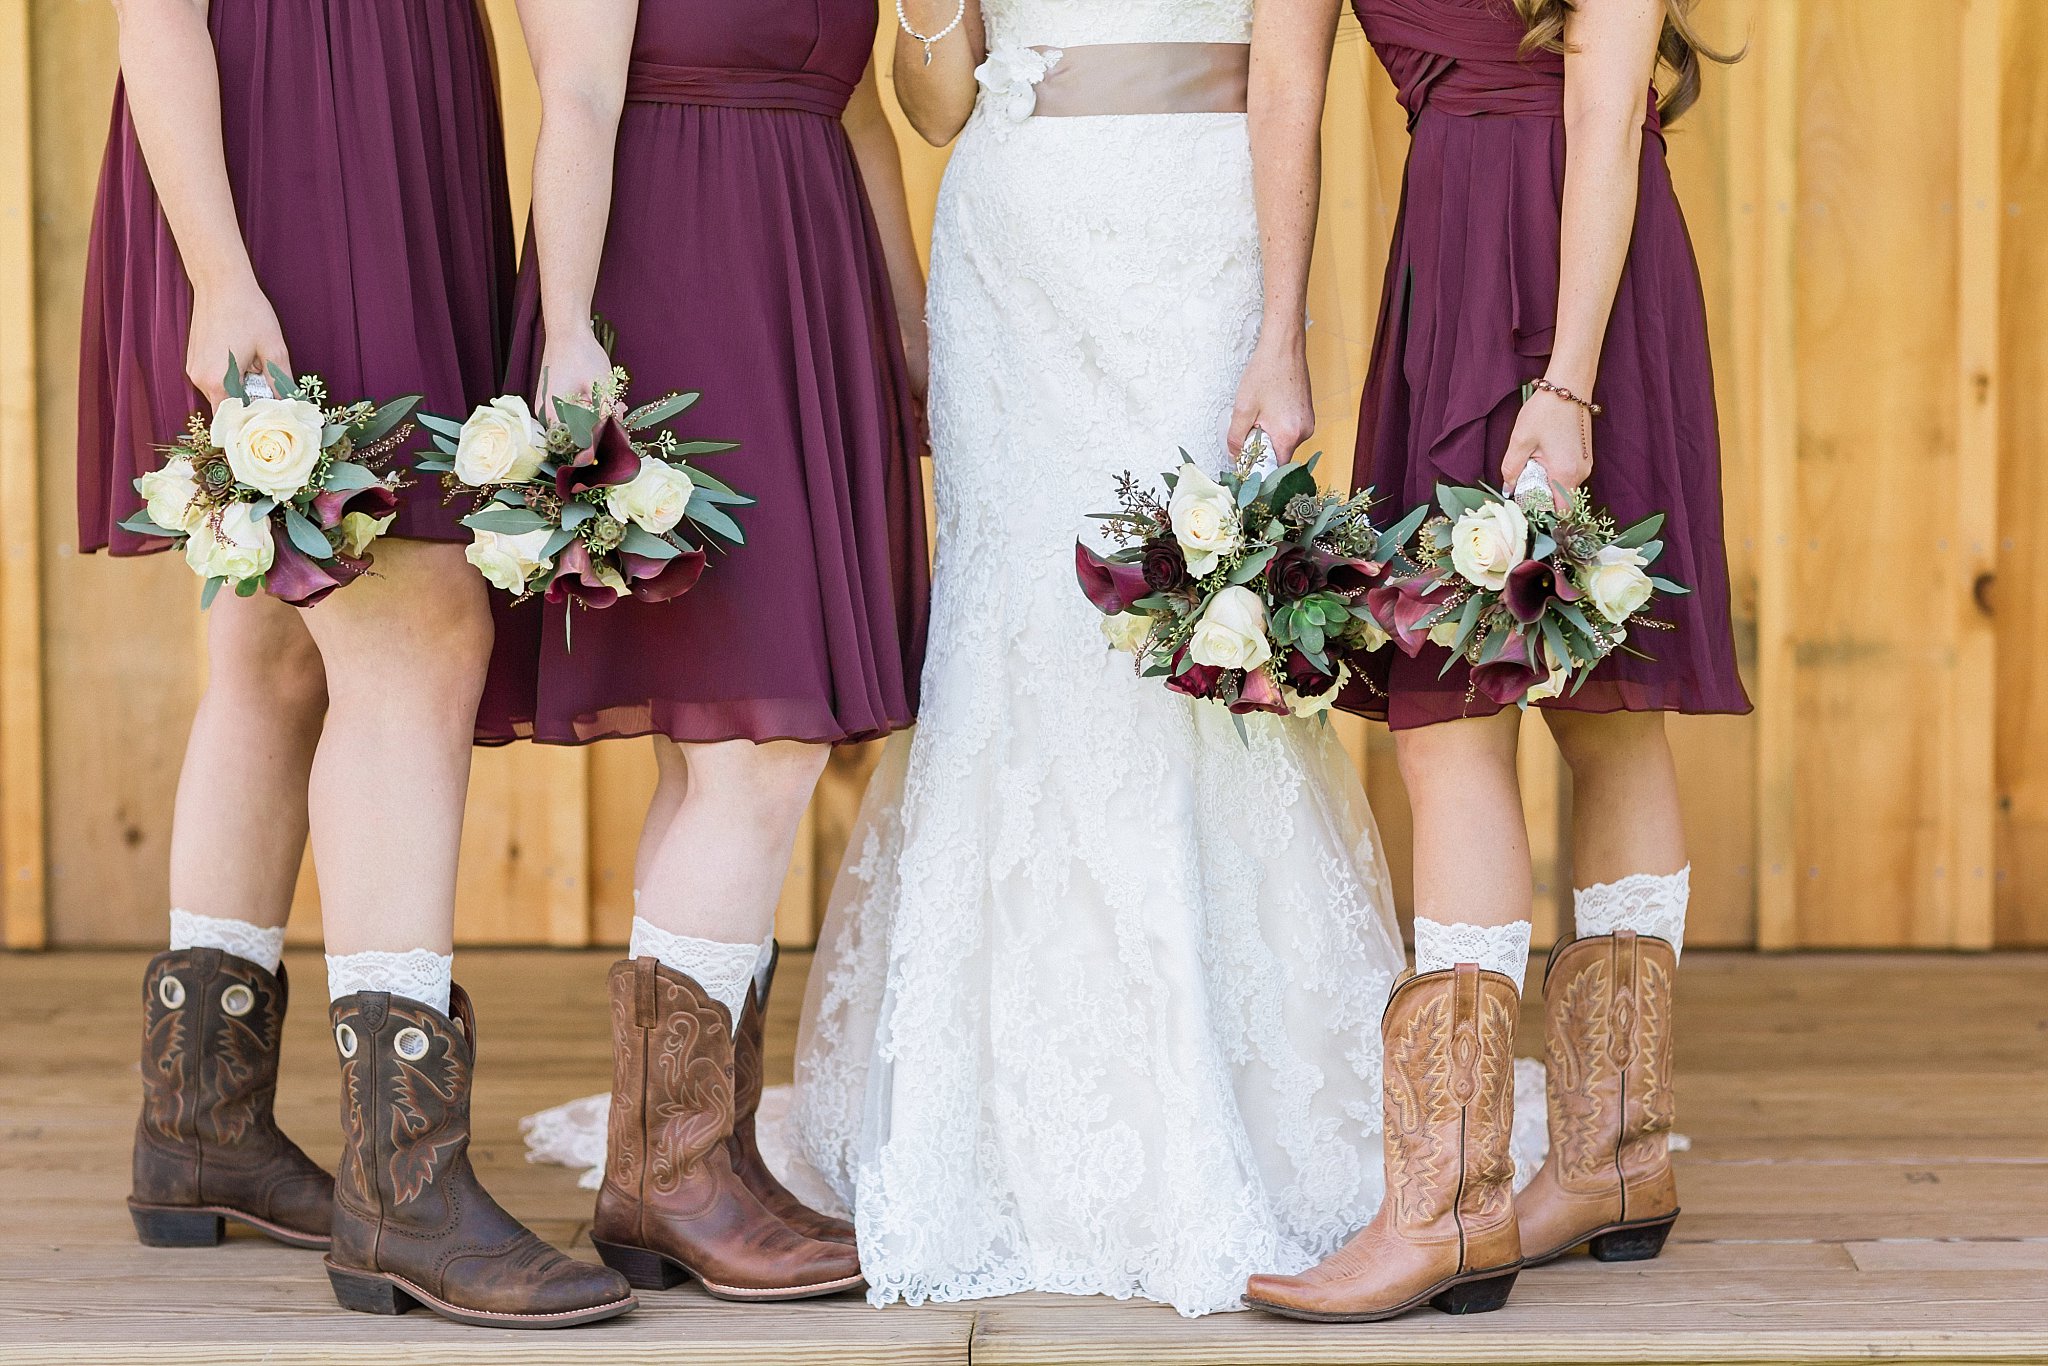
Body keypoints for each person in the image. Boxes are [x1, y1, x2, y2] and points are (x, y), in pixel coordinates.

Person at [786, 0, 1433, 1318]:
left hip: (1195, 233)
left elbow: (1291, 84)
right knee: (1011, 638)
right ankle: (991, 1109)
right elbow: (935, 104)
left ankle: (1213, 1085)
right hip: (1010, 245)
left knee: (1181, 642)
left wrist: (1283, 326)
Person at [83, 0, 632, 1330]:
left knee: (275, 640)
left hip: (404, 121)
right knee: (420, 626)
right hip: (273, 144)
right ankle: (405, 1186)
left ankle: (200, 1124)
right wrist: (217, 272)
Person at [1243, 0, 1744, 1322]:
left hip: (1593, 260)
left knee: (1597, 698)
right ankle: (1521, 1176)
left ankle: (1562, 1171)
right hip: (1453, 246)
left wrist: (1569, 383)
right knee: (1457, 695)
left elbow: (1606, 100)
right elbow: (1285, 72)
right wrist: (1277, 328)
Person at [492, 0, 931, 1301]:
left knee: (731, 746)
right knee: (751, 736)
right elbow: (573, 93)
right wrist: (568, 330)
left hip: (807, 277)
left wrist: (906, 328)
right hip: (670, 270)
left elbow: (858, 111)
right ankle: (674, 1169)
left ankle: (690, 1158)